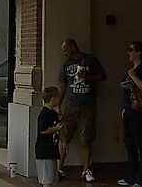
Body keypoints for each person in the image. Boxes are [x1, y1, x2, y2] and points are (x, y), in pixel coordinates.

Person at [57, 38, 106, 183]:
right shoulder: (66, 65)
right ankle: (59, 168)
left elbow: (103, 76)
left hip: (87, 105)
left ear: (73, 47)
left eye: (66, 50)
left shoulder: (90, 60)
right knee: (64, 136)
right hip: (71, 105)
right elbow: (62, 85)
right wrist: (58, 104)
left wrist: (88, 77)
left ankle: (86, 169)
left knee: (86, 136)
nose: (64, 53)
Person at [118, 41, 142, 187]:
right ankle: (131, 176)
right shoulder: (132, 68)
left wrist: (133, 76)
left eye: (131, 50)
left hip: (140, 112)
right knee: (130, 144)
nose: (129, 53)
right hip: (129, 111)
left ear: (138, 52)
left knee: (141, 144)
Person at [36, 86, 63, 187]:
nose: (59, 99)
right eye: (58, 97)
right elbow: (42, 131)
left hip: (51, 149)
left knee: (50, 178)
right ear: (53, 98)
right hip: (44, 150)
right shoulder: (44, 114)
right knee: (47, 179)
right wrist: (55, 129)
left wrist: (63, 140)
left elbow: (60, 126)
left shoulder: (54, 113)